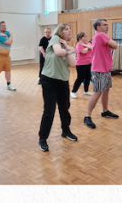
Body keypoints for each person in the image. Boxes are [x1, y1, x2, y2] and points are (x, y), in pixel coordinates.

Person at [38, 23, 78, 152]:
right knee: (49, 110)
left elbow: (72, 64)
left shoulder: (68, 46)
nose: (69, 31)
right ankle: (42, 138)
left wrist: (67, 47)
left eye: (70, 29)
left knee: (64, 108)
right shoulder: (55, 38)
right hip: (49, 80)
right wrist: (70, 50)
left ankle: (65, 130)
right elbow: (58, 52)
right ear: (60, 32)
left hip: (63, 81)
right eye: (66, 29)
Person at [83, 18, 121, 129]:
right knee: (97, 92)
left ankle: (105, 111)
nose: (107, 26)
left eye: (107, 25)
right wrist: (110, 39)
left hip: (105, 69)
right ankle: (87, 116)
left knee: (105, 90)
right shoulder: (100, 35)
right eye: (104, 25)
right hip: (99, 70)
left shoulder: (100, 36)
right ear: (98, 27)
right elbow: (115, 45)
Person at [71, 33, 95, 99]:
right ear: (80, 38)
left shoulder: (87, 43)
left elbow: (92, 48)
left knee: (88, 77)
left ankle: (86, 91)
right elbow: (83, 51)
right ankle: (73, 92)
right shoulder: (78, 45)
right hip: (81, 64)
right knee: (80, 78)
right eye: (84, 36)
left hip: (89, 63)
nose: (86, 37)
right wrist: (87, 46)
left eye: (86, 36)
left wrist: (85, 45)